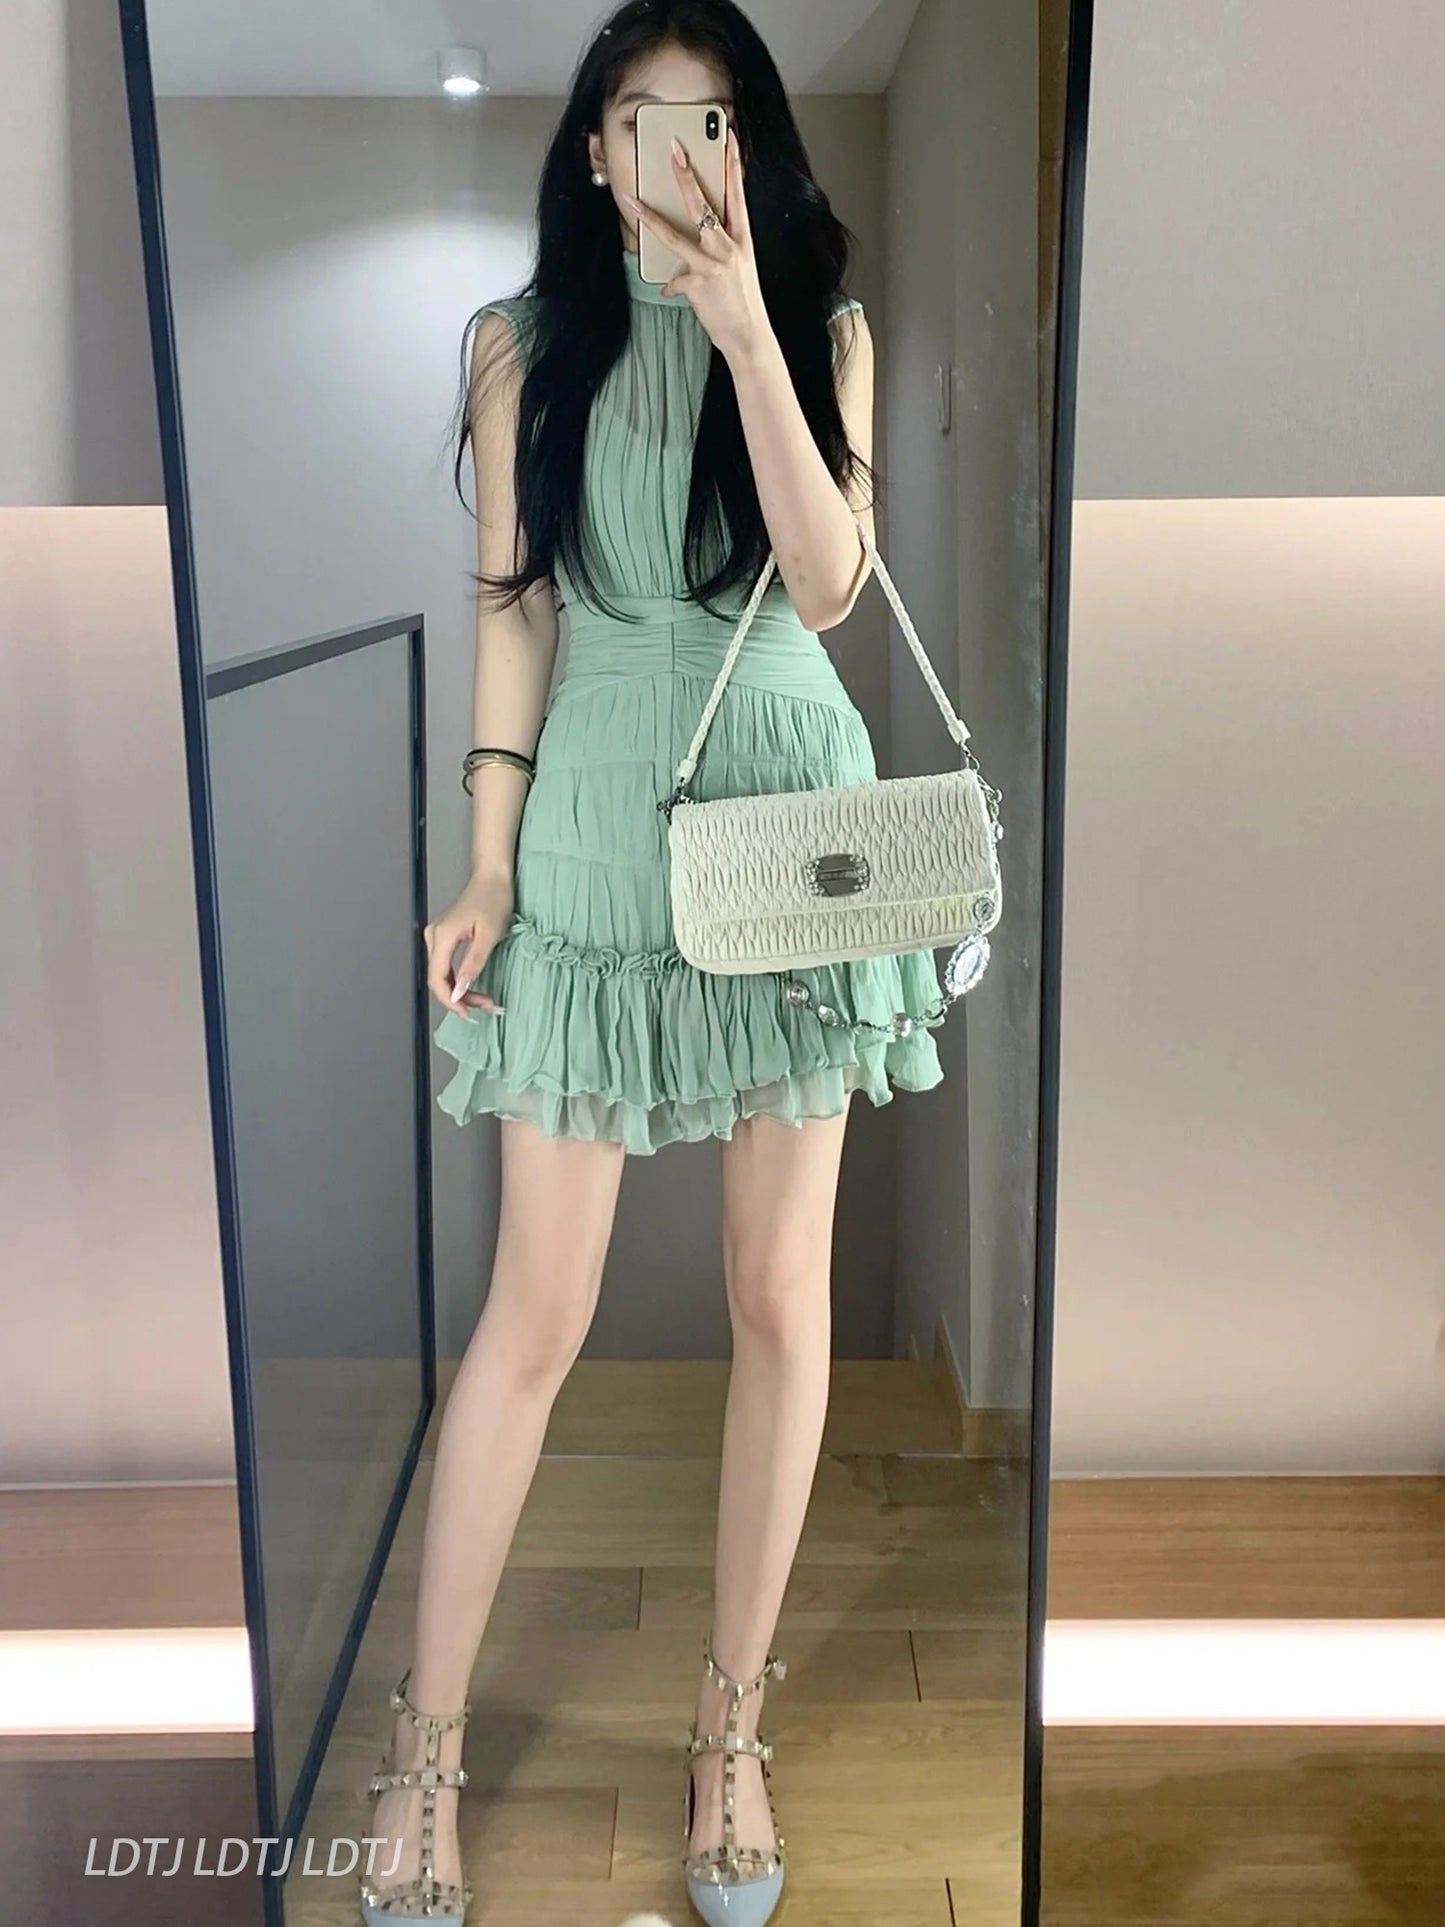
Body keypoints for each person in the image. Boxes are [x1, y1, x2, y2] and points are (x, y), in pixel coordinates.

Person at [362, 4, 946, 1923]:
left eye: (711, 119)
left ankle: (729, 1729)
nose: (675, 150)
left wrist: (749, 329)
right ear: (593, 146)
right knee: (533, 1316)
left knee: (779, 1296)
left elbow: (829, 584)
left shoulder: (823, 330)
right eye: (639, 116)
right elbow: (512, 609)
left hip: (785, 812)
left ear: (746, 147)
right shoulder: (515, 344)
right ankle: (423, 1755)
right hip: (597, 823)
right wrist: (485, 863)